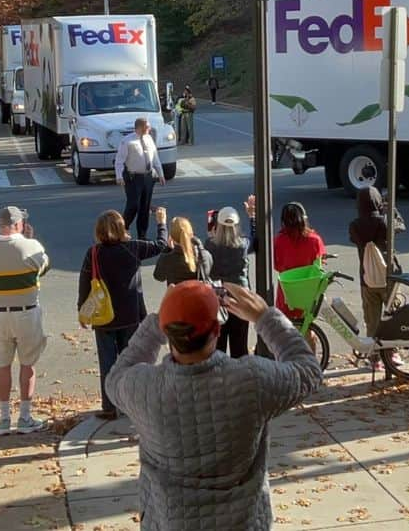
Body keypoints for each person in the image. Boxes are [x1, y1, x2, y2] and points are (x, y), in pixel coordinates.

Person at [105, 280, 322, 530]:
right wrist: (265, 317)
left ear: (169, 333)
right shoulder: (252, 381)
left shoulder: (143, 388)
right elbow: (308, 371)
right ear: (217, 331)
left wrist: (159, 321)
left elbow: (115, 378)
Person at [77, 208, 169, 420]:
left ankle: (109, 406)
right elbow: (161, 245)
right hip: (131, 314)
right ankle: (130, 404)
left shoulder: (93, 253)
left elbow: (85, 284)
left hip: (104, 317)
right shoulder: (133, 248)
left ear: (99, 231)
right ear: (122, 228)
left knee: (107, 362)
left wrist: (82, 311)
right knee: (133, 361)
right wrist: (161, 223)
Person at [0, 206, 50, 434]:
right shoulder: (32, 246)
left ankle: (5, 417)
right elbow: (43, 268)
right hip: (27, 312)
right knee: (27, 364)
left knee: (2, 365)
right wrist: (29, 240)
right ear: (19, 225)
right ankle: (25, 416)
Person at [348, 187, 405, 353]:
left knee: (372, 321)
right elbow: (401, 226)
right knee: (392, 317)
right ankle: (392, 354)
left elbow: (353, 238)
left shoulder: (355, 226)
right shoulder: (384, 222)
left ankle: (374, 357)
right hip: (389, 277)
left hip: (367, 279)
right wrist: (391, 210)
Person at [203, 199, 256, 357]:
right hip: (240, 299)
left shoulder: (210, 245)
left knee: (218, 347)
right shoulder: (242, 245)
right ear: (236, 226)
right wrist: (252, 216)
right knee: (239, 346)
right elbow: (254, 237)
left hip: (218, 300)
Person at [273, 202, 326, 321]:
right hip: (307, 292)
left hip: (287, 292)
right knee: (307, 328)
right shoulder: (314, 240)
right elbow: (319, 264)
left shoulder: (278, 241)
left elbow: (277, 265)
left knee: (285, 330)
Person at [115, 117, 166, 240]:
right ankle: (122, 230)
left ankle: (142, 235)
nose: (149, 128)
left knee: (145, 207)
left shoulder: (149, 138)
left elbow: (155, 157)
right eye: (146, 126)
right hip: (133, 177)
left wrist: (161, 174)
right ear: (139, 127)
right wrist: (119, 176)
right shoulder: (127, 141)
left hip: (148, 176)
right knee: (133, 205)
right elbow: (119, 160)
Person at [154, 216, 212, 287]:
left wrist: (167, 249)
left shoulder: (168, 259)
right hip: (199, 297)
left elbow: (158, 276)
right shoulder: (204, 255)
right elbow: (208, 271)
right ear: (191, 233)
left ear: (172, 238)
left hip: (178, 296)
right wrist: (200, 246)